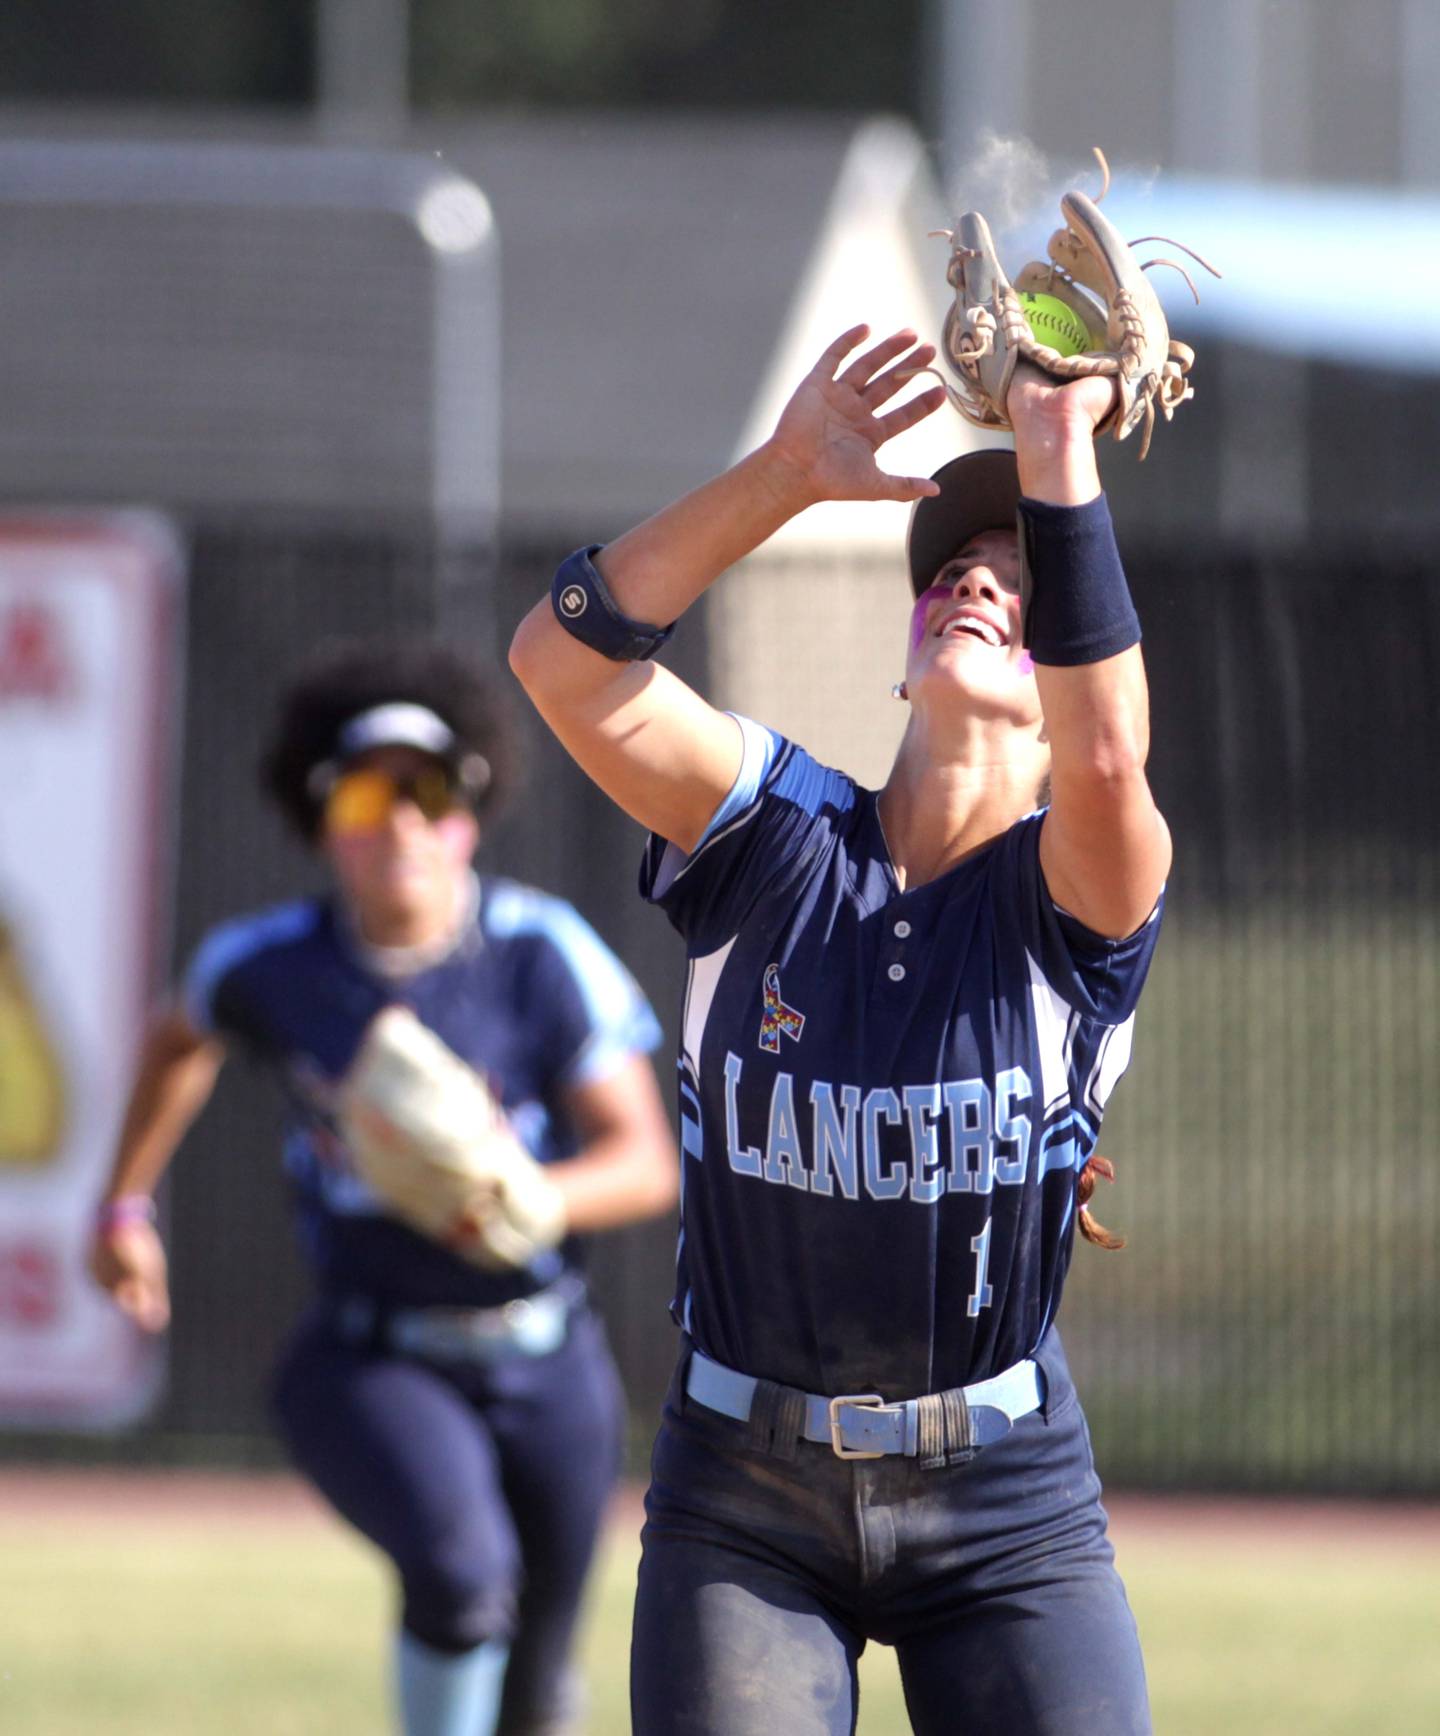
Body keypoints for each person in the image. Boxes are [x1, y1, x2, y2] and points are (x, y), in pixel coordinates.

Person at [508, 325, 1170, 1735]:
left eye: (1020, 579)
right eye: (950, 573)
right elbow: (562, 662)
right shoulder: (783, 837)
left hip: (1008, 1508)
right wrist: (791, 473)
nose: (975, 583)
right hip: (742, 1500)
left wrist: (1061, 453)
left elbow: (1113, 757)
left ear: (1067, 677)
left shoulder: (1074, 898)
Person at [89, 640, 679, 1736]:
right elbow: (180, 1038)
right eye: (367, 792)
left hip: (546, 1356)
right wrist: (124, 1204)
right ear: (322, 819)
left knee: (537, 1678)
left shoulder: (538, 952)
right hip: (370, 1352)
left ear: (471, 813)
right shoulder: (274, 963)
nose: (400, 820)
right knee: (460, 1577)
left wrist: (540, 1198)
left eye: (430, 790)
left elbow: (644, 1158)